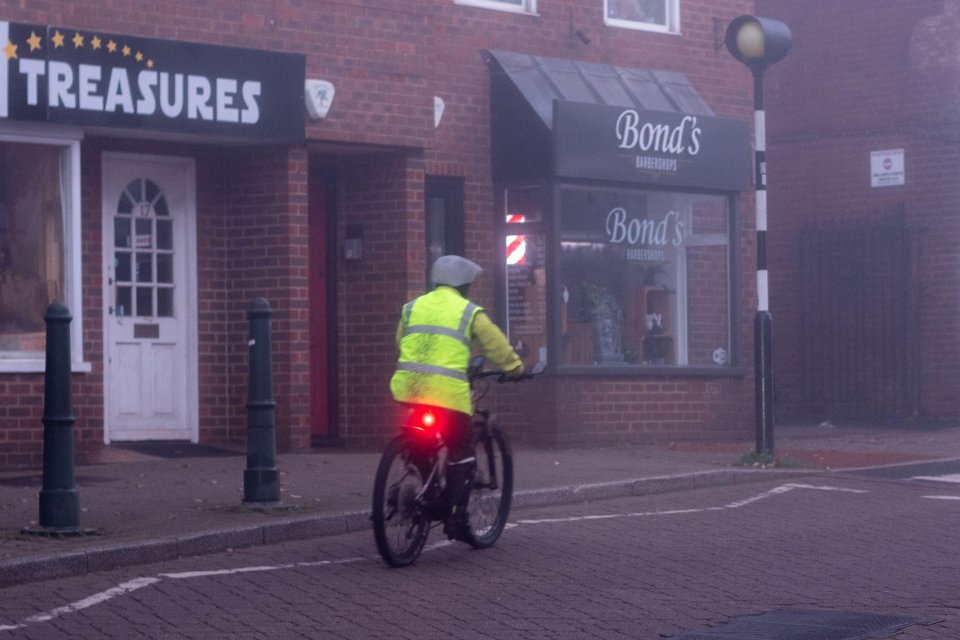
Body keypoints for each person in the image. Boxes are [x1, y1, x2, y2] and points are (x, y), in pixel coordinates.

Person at [390, 254, 524, 541]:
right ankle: (456, 518)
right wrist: (515, 369)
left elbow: (402, 341)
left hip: (410, 390)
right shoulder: (468, 312)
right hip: (448, 396)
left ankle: (423, 490)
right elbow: (496, 347)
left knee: (421, 443)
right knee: (461, 452)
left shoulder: (412, 307)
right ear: (464, 286)